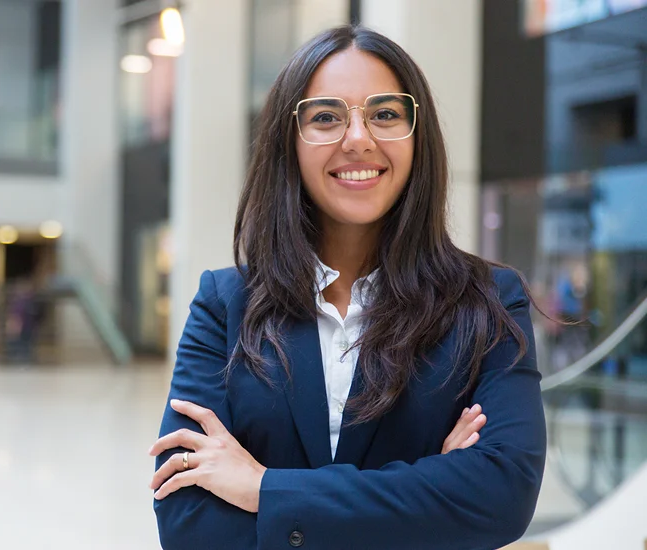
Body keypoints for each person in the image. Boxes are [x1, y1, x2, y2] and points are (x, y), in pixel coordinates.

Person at [148, 25, 546, 550]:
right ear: (288, 144)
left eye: (385, 114)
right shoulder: (225, 306)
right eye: (326, 117)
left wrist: (263, 488)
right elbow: (189, 524)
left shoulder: (488, 302)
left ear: (416, 135)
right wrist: (430, 493)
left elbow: (501, 495)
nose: (358, 139)